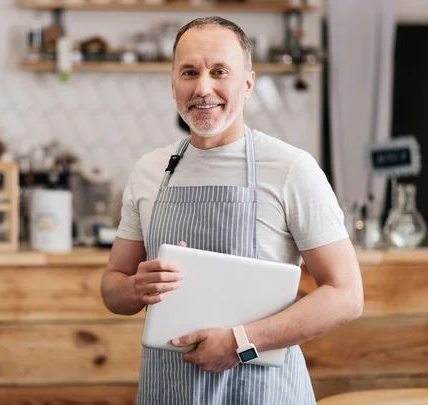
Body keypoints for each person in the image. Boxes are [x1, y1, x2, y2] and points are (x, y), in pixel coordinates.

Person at [100, 16, 364, 405]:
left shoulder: (291, 168)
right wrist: (135, 288)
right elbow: (112, 289)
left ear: (248, 82)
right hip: (168, 392)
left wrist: (240, 342)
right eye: (189, 72)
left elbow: (346, 295)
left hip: (264, 394)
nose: (203, 88)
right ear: (173, 84)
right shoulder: (149, 171)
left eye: (219, 71)